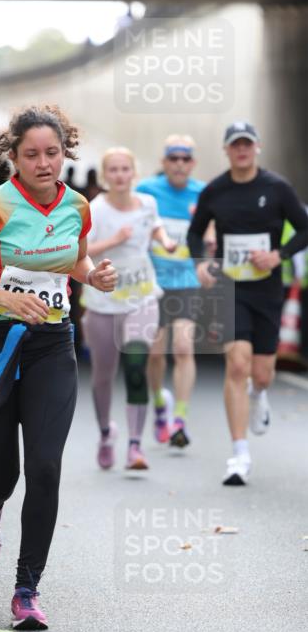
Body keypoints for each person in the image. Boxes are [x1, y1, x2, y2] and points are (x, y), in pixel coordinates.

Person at [0, 105, 116, 631]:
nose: (43, 163)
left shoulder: (79, 205)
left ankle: (27, 589)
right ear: (13, 156)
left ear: (65, 154)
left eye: (52, 153)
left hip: (51, 346)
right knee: (5, 474)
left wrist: (93, 277)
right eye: (32, 154)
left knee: (45, 467)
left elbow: (74, 261)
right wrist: (5, 301)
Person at [188, 121, 308, 485]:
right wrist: (203, 264)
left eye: (247, 144)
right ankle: (239, 454)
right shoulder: (216, 190)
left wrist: (279, 255)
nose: (241, 150)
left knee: (261, 373)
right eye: (235, 145)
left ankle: (260, 394)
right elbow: (195, 233)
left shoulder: (276, 188)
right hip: (232, 288)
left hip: (268, 289)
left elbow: (303, 228)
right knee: (237, 365)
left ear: (257, 147)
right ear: (226, 150)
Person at [83, 148, 177, 470]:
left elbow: (154, 226)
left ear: (133, 172)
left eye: (125, 169)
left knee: (137, 366)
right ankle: (107, 432)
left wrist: (164, 240)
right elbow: (81, 251)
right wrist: (113, 240)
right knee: (102, 376)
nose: (120, 175)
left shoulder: (148, 203)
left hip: (142, 296)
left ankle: (135, 446)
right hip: (103, 301)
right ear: (105, 175)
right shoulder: (95, 209)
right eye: (114, 170)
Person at [136, 134, 205, 447]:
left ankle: (180, 418)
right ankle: (160, 405)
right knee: (155, 354)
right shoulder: (147, 190)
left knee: (183, 348)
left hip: (187, 283)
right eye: (173, 158)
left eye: (185, 158)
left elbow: (215, 228)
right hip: (153, 283)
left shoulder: (203, 194)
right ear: (164, 163)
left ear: (192, 163)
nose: (179, 164)